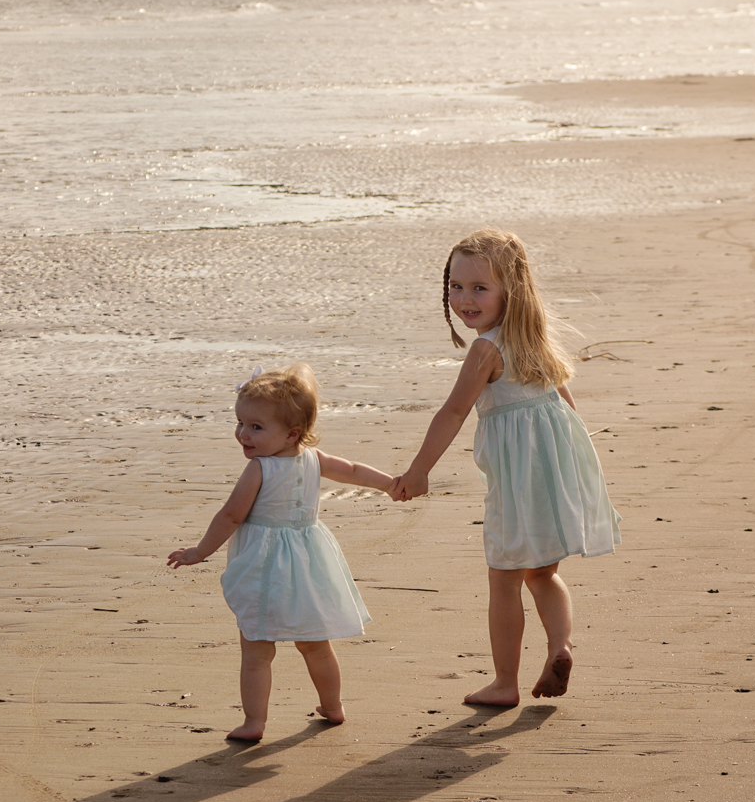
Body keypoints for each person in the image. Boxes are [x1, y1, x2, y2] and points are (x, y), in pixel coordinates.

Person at [391, 228, 620, 706]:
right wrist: (582, 467)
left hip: (518, 483)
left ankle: (504, 683)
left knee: (504, 579)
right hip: (555, 472)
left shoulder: (485, 350)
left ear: (509, 290)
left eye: (480, 287)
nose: (465, 298)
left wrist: (419, 470)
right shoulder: (536, 339)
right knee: (543, 574)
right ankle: (560, 645)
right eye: (456, 286)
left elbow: (452, 412)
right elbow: (565, 403)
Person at [168, 365, 395, 742]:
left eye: (256, 427)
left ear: (292, 432)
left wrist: (200, 551)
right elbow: (354, 471)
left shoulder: (260, 469)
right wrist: (390, 484)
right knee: (315, 644)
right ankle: (333, 707)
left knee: (257, 650)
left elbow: (231, 515)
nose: (243, 434)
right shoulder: (314, 458)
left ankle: (254, 722)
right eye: (240, 423)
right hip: (309, 564)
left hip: (265, 565)